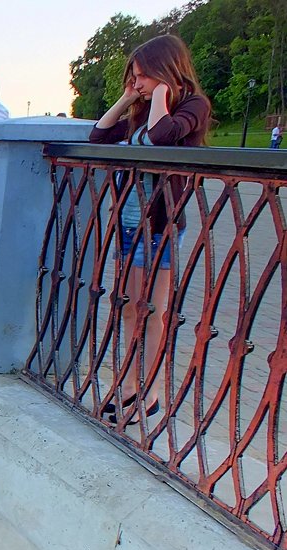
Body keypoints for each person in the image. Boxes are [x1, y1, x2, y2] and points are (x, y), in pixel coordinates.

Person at [90, 33, 211, 424]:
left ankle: (152, 391)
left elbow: (162, 139)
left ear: (165, 70)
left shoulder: (193, 105)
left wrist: (161, 94)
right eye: (134, 77)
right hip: (128, 224)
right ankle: (127, 385)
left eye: (142, 76)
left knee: (152, 311)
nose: (137, 83)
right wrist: (127, 99)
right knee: (128, 306)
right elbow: (98, 135)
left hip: (160, 225)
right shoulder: (139, 111)